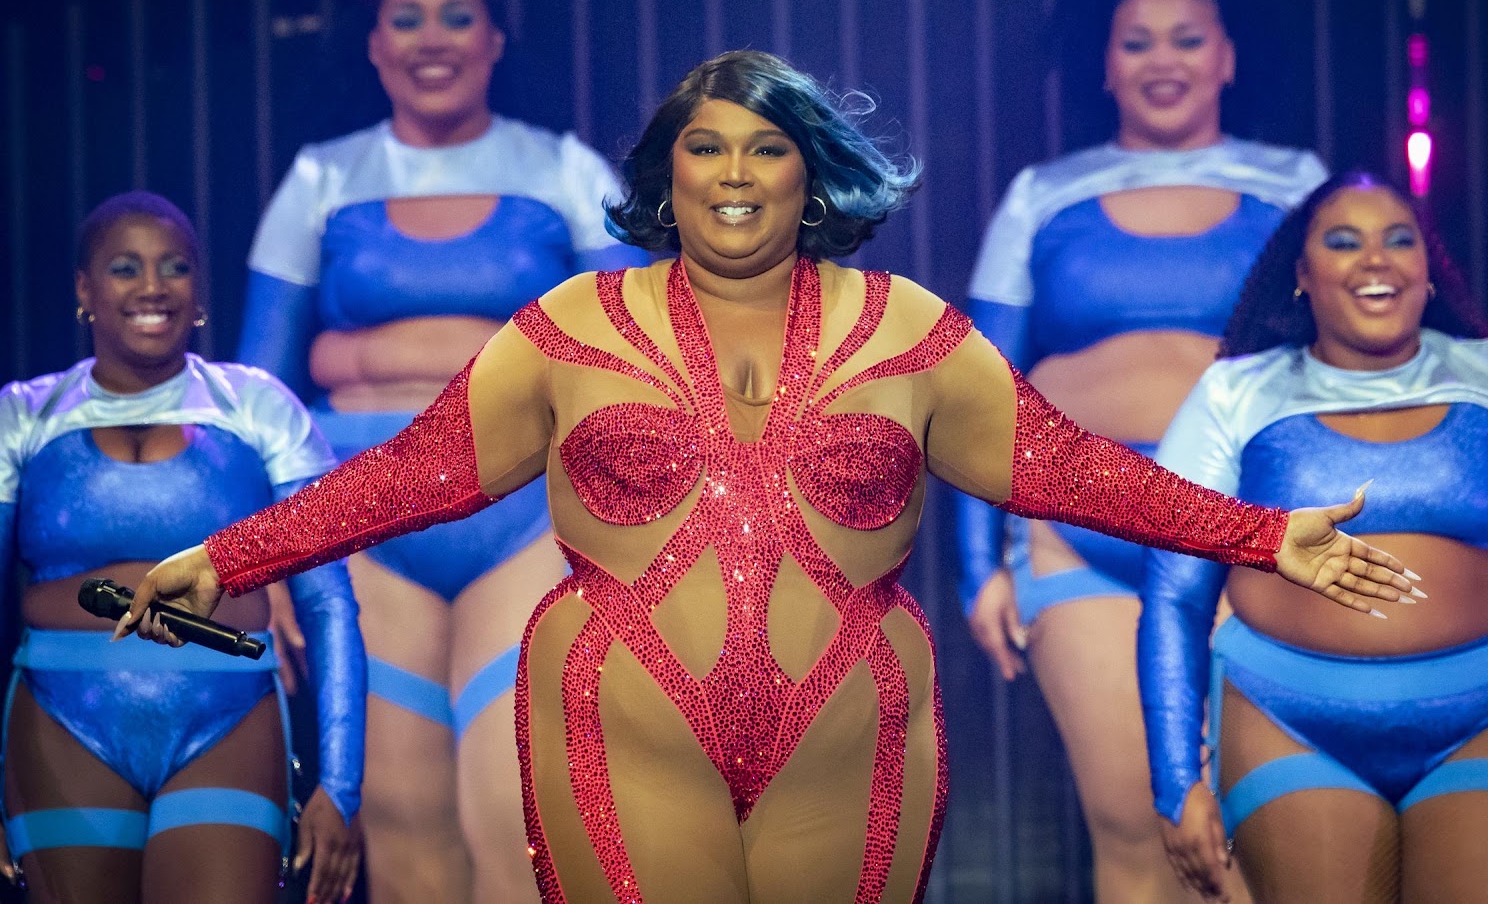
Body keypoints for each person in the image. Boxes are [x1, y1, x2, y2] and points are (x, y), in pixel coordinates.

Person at [122, 52, 1417, 904]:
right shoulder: (567, 329)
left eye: (764, 148)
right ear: (664, 176)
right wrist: (229, 558)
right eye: (705, 148)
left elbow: (1069, 470)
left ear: (812, 171)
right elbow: (398, 479)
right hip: (625, 717)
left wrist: (1259, 532)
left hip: (851, 719)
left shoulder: (912, 329)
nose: (735, 172)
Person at [237, 0, 647, 900]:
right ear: (376, 46)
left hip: (524, 515)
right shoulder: (321, 178)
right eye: (407, 19)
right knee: (403, 825)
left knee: (513, 814)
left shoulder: (561, 168)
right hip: (365, 527)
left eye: (456, 17)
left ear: (494, 40)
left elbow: (638, 361)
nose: (432, 40)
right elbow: (259, 393)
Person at [958, 0, 1325, 900]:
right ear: (1107, 67)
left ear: (1228, 58)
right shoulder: (1042, 195)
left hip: (1254, 526)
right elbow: (977, 385)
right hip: (1079, 536)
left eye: (1188, 38)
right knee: (1132, 826)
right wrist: (978, 565)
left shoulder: (1297, 185)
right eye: (1137, 42)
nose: (1164, 60)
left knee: (1254, 822)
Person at [1140, 174, 1488, 902]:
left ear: (1428, 269)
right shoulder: (1233, 393)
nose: (1375, 258)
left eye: (1398, 238)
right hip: (1283, 715)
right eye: (1344, 241)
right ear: (1301, 275)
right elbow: (1174, 594)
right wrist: (1175, 781)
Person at [0, 193, 362, 904]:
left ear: (198, 291)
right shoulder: (23, 414)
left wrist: (341, 787)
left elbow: (328, 603)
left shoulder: (257, 406)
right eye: (125, 267)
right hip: (59, 720)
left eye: (175, 267)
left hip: (227, 719)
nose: (152, 287)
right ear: (84, 289)